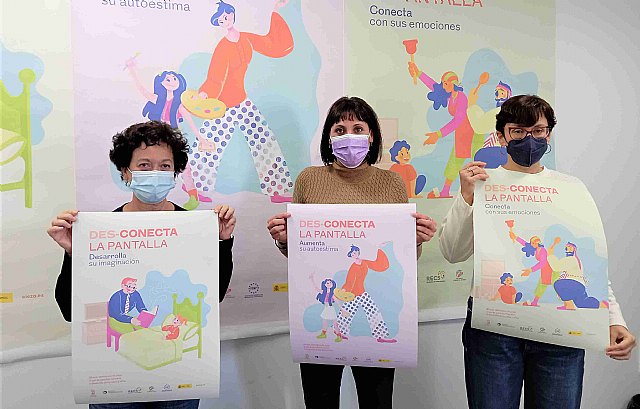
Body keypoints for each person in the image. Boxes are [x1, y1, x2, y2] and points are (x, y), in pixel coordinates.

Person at [438, 95, 636, 409]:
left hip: (560, 325)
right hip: (495, 328)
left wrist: (614, 318)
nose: (529, 139)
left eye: (538, 131)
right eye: (518, 131)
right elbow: (452, 251)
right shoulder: (482, 184)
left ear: (549, 134)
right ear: (501, 136)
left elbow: (587, 264)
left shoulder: (570, 189)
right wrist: (466, 197)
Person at [47, 121, 236, 409]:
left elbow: (215, 295)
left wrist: (223, 242)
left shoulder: (194, 228)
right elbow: (69, 311)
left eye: (165, 166)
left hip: (179, 380)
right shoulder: (101, 231)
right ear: (126, 171)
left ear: (175, 172)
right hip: (115, 384)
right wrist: (74, 253)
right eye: (144, 165)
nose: (155, 173)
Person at [266, 96, 438, 409]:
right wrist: (284, 240)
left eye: (358, 128)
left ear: (371, 136)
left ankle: (379, 333)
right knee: (320, 400)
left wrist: (415, 241)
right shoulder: (309, 180)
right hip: (331, 295)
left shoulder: (392, 183)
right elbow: (302, 255)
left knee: (376, 401)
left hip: (372, 295)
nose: (349, 136)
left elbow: (399, 259)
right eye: (339, 129)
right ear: (329, 137)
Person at [182, 0, 295, 209]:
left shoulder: (246, 39)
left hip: (242, 101)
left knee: (264, 141)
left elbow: (270, 43)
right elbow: (214, 77)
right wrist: (204, 94)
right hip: (222, 105)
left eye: (226, 16)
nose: (225, 21)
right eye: (220, 20)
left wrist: (275, 12)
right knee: (209, 145)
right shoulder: (222, 47)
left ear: (232, 14)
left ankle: (277, 189)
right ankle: (197, 187)